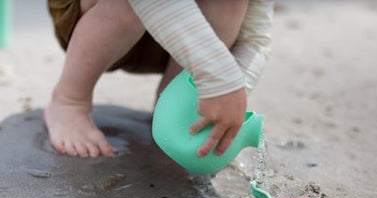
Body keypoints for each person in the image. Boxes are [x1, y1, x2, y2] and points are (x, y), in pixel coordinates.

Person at [46, 0, 273, 158]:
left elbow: (255, 38)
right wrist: (219, 78)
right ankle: (70, 100)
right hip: (101, 19)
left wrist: (234, 90)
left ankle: (171, 108)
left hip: (182, 42)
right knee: (125, 3)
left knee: (230, 4)